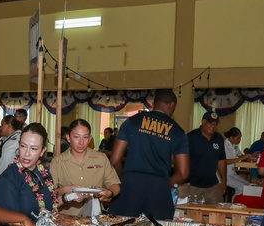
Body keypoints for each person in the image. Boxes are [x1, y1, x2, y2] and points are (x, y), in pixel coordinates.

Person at [108, 89, 189, 219]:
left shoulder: (132, 122)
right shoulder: (178, 132)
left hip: (130, 184)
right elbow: (183, 173)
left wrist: (125, 178)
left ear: (153, 103)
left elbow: (115, 159)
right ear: (172, 105)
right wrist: (164, 184)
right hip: (158, 189)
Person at [50, 119, 120, 216]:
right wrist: (66, 190)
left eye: (85, 137)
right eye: (76, 137)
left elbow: (115, 185)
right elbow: (49, 194)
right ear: (68, 138)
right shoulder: (58, 162)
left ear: (90, 138)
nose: (81, 142)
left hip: (95, 217)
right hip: (67, 219)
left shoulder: (101, 158)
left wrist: (108, 193)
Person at [0, 123, 58, 220]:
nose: (26, 154)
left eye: (33, 149)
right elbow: (11, 220)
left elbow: (48, 205)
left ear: (42, 151)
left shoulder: (44, 173)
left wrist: (66, 197)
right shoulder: (9, 178)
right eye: (23, 146)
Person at [182, 111, 227, 204]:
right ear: (203, 121)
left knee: (217, 214)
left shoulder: (219, 138)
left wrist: (224, 180)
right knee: (191, 215)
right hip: (193, 186)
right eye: (210, 122)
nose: (213, 126)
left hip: (212, 186)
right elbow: (181, 160)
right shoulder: (190, 137)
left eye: (215, 123)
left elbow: (221, 160)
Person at [0, 115, 24, 203]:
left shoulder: (21, 139)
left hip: (12, 181)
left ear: (9, 125)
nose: (0, 128)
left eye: (2, 125)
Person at [224, 127, 252, 200]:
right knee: (241, 187)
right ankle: (234, 204)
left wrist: (250, 156)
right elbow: (224, 161)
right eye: (238, 138)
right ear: (231, 137)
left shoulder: (235, 146)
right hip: (224, 175)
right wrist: (241, 159)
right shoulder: (224, 145)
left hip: (232, 173)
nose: (239, 140)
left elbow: (241, 156)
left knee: (248, 185)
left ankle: (239, 202)